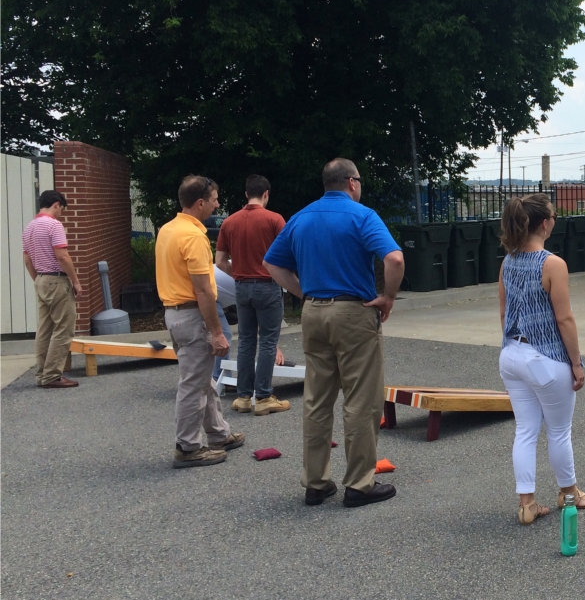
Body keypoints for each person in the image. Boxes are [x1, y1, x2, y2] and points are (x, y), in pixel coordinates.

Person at [263, 159, 404, 508]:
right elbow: (395, 259)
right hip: (353, 312)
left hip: (313, 311)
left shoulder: (301, 218)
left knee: (317, 399)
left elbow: (272, 263)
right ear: (352, 183)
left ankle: (315, 482)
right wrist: (387, 297)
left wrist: (303, 294)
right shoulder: (362, 216)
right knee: (361, 399)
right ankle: (359, 484)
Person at [497, 193, 585, 525]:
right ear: (544, 223)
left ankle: (527, 503)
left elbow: (504, 312)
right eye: (554, 216)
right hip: (546, 357)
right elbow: (565, 319)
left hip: (512, 354)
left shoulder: (507, 262)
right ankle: (568, 493)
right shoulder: (552, 264)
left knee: (526, 430)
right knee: (559, 431)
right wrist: (576, 363)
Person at [155, 176, 244, 468]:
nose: (218, 204)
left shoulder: (168, 229)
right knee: (193, 384)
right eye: (215, 199)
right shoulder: (193, 236)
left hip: (175, 313)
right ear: (200, 202)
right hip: (193, 315)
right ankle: (188, 447)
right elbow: (203, 289)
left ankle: (219, 433)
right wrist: (217, 333)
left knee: (203, 378)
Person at [215, 174, 289, 416]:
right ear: (266, 194)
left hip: (241, 286)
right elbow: (288, 255)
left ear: (246, 194)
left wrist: (237, 273)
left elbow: (220, 261)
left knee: (246, 340)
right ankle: (264, 396)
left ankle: (244, 396)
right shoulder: (274, 219)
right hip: (268, 285)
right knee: (268, 341)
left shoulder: (229, 222)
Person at [21, 190, 84, 389]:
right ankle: (52, 375)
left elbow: (27, 259)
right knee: (63, 329)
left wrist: (38, 279)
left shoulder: (29, 227)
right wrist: (75, 281)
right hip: (57, 280)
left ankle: (42, 374)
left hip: (40, 279)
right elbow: (62, 256)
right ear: (56, 204)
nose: (61, 215)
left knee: (44, 329)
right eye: (62, 210)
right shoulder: (53, 225)